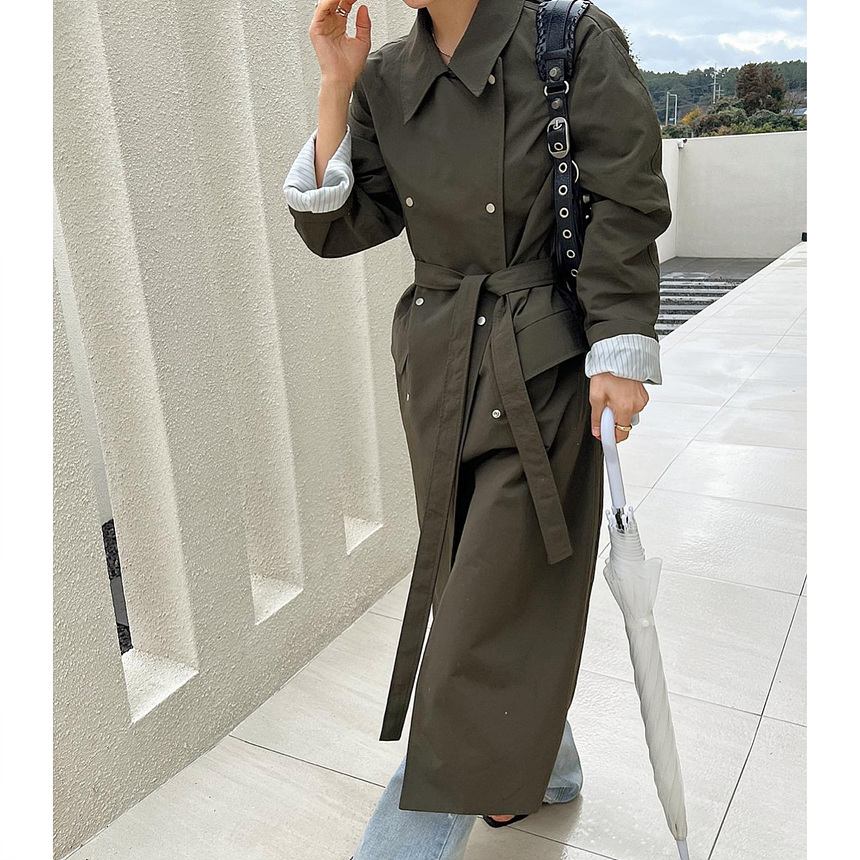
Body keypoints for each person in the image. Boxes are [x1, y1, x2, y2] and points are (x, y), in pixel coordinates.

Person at [284, 0, 671, 856]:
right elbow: (337, 227)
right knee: (484, 590)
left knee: (475, 624)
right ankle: (549, 769)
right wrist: (336, 85)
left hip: (543, 375)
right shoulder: (388, 76)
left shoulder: (568, 38)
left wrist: (619, 345)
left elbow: (625, 197)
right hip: (440, 372)